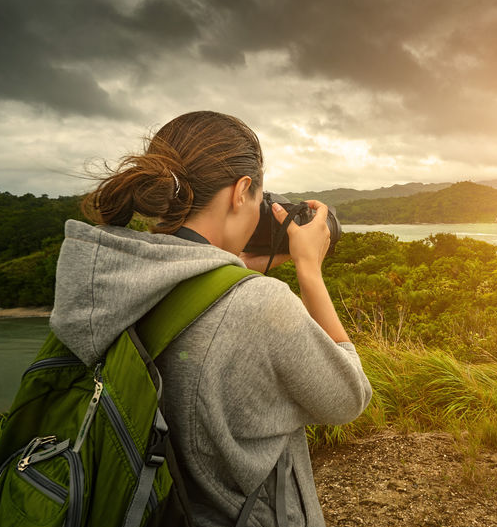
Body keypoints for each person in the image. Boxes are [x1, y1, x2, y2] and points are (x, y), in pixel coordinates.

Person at [50, 110, 372, 526]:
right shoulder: (260, 305)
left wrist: (232, 269)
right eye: (258, 197)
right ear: (241, 191)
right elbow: (348, 397)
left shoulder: (110, 282)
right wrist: (308, 269)